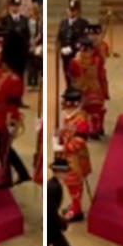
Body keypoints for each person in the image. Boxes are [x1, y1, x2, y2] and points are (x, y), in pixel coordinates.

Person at [0, 31, 31, 189]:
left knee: (3, 149)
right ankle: (23, 173)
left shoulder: (13, 79)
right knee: (5, 148)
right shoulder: (8, 76)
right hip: (1, 115)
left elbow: (13, 103)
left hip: (7, 118)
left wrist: (11, 121)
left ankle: (6, 178)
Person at [47, 157, 91, 246]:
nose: (67, 173)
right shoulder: (54, 187)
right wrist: (61, 222)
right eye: (65, 171)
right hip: (51, 227)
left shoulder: (53, 184)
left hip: (51, 226)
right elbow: (50, 210)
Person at [54, 88, 91, 222]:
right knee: (69, 183)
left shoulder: (81, 120)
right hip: (66, 156)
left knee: (74, 183)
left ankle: (77, 209)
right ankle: (75, 205)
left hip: (76, 157)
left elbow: (79, 141)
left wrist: (63, 147)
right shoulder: (68, 116)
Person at [57, 0, 89, 84]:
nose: (71, 12)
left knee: (77, 75)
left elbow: (84, 39)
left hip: (76, 55)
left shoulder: (83, 23)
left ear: (78, 11)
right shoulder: (63, 23)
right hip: (65, 55)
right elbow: (60, 37)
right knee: (67, 73)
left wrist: (72, 48)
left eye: (74, 10)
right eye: (70, 10)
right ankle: (69, 90)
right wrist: (61, 48)